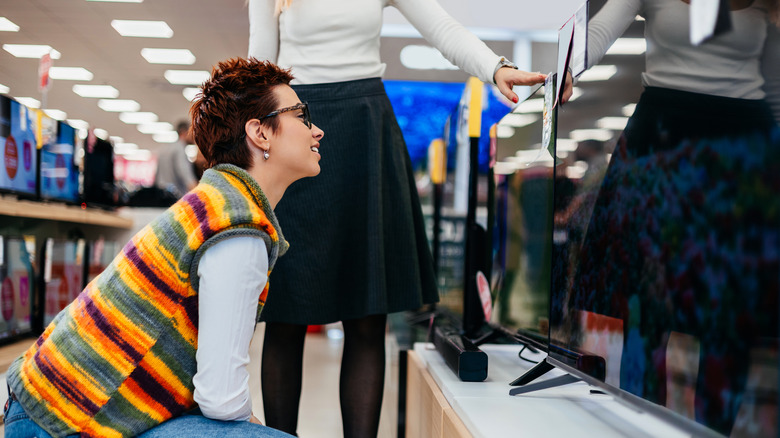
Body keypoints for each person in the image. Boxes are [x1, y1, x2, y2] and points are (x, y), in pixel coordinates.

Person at [247, 0, 546, 436]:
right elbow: (260, 68)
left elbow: (441, 28)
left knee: (368, 316)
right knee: (288, 315)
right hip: (294, 131)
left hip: (366, 130)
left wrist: (495, 67)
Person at [4, 57, 324, 438]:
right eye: (301, 116)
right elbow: (221, 398)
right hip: (62, 422)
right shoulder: (237, 226)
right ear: (260, 133)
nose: (316, 130)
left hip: (49, 403)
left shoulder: (215, 203)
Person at [555, 1, 779, 434]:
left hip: (739, 154)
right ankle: (642, 428)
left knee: (727, 317)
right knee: (648, 309)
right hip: (662, 143)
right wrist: (565, 69)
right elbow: (597, 35)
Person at [154, 120, 198, 199]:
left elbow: (157, 176)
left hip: (161, 195)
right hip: (174, 197)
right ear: (184, 132)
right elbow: (185, 174)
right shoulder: (180, 149)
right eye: (192, 131)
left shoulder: (165, 149)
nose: (194, 135)